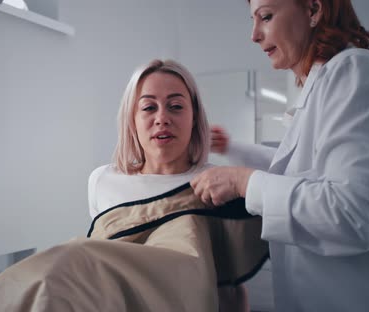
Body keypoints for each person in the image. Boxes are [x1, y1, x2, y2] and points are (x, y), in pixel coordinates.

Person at [191, 0, 369, 311]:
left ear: (314, 10)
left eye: (266, 16)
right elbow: (301, 171)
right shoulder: (318, 88)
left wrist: (245, 183)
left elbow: (359, 213)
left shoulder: (355, 72)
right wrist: (233, 150)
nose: (253, 35)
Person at [88, 59, 256, 312]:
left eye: (176, 106)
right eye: (148, 107)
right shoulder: (103, 181)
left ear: (194, 116)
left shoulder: (220, 185)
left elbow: (229, 289)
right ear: (131, 118)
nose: (162, 118)